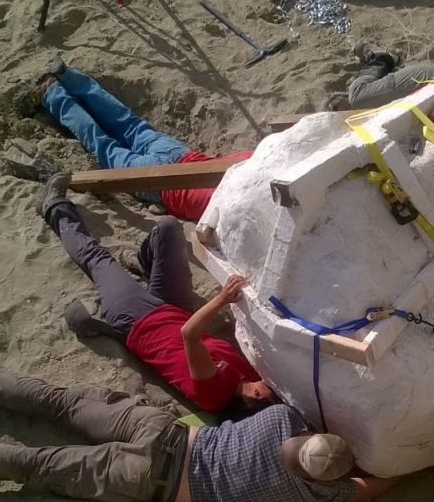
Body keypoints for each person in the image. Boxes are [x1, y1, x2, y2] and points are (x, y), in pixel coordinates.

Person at [0, 346, 396, 502]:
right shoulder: (319, 492)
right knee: (31, 464)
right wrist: (402, 465)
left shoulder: (280, 422)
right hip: (150, 481)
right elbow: (374, 486)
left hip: (163, 433)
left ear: (306, 440)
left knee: (56, 401)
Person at [38, 172, 276, 414]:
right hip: (176, 310)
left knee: (96, 259)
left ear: (257, 394)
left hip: (138, 322)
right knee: (168, 227)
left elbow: (190, 334)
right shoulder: (249, 378)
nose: (272, 388)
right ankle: (144, 264)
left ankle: (53, 207)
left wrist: (222, 298)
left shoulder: (214, 393)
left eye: (272, 395)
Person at [23, 58, 250, 221]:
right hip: (160, 182)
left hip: (178, 153)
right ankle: (51, 93)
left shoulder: (256, 162)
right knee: (102, 145)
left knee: (128, 123)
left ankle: (70, 77)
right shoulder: (237, 209)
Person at [346, 46, 434, 110]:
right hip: (429, 78)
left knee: (357, 96)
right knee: (358, 96)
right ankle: (386, 63)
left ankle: (383, 58)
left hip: (429, 78)